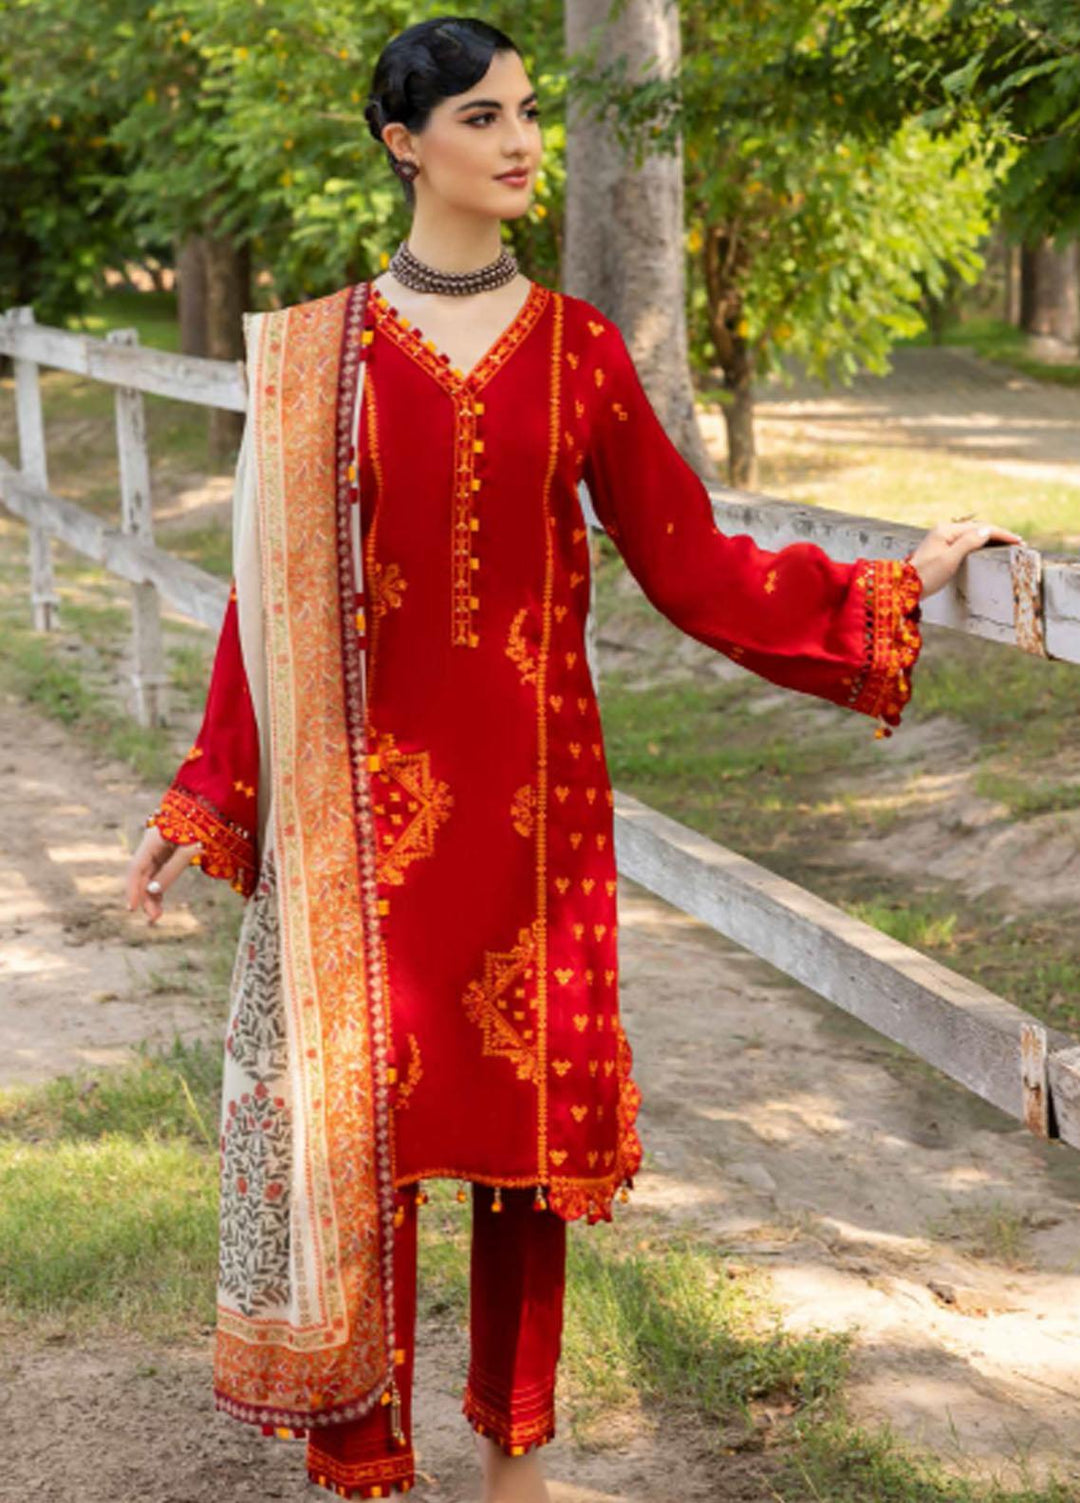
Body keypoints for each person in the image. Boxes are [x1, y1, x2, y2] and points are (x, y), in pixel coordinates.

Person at [123, 16, 1023, 1502]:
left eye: (529, 112)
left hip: (535, 811)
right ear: (406, 144)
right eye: (483, 118)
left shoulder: (578, 350)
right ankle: (364, 1457)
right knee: (357, 1133)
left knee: (526, 1142)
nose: (522, 142)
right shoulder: (320, 358)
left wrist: (888, 589)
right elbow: (265, 601)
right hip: (364, 819)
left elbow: (693, 564)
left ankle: (515, 1459)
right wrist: (209, 790)